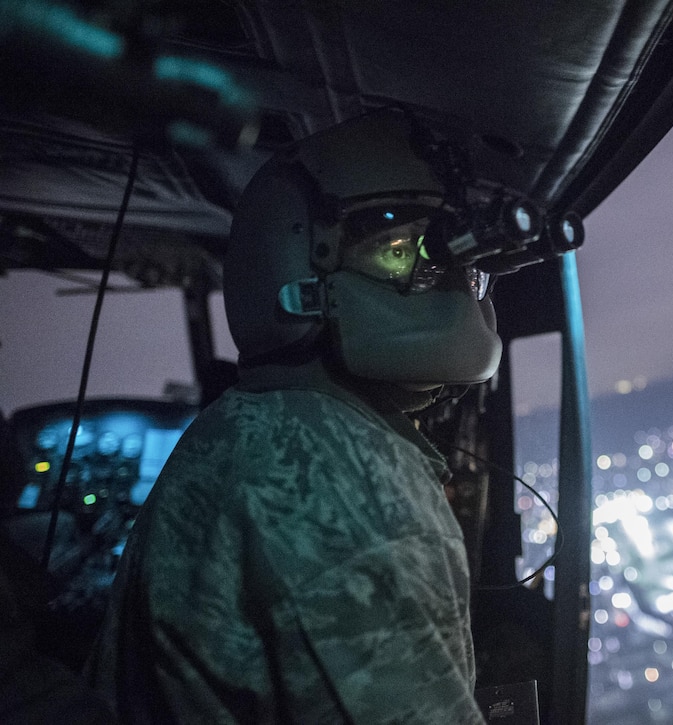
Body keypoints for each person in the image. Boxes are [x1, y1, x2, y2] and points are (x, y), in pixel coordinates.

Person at [87, 109, 504, 723]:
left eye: (438, 254)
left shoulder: (252, 426)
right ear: (289, 269)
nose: (437, 279)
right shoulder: (355, 491)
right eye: (394, 250)